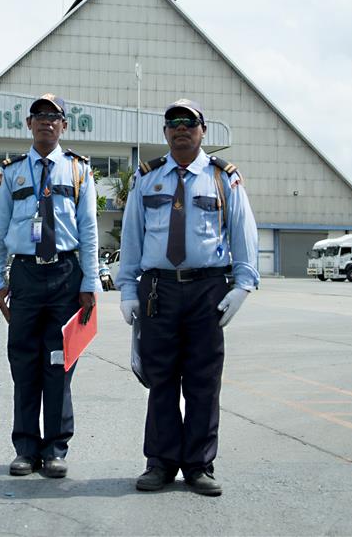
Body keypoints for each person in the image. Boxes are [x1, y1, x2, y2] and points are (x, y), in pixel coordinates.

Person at [117, 98, 259, 495]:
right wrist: (127, 289)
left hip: (206, 289)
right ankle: (160, 463)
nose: (181, 129)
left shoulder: (222, 178)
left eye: (190, 123)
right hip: (158, 289)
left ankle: (199, 465)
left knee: (202, 381)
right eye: (173, 123)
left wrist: (243, 286)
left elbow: (243, 234)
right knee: (160, 379)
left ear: (203, 131)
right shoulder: (147, 178)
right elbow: (132, 237)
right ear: (165, 132)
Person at [0, 93, 101, 479]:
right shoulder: (12, 173)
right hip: (25, 276)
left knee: (59, 363)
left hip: (66, 277)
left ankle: (54, 449)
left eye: (53, 117)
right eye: (39, 116)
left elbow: (88, 232)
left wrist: (90, 282)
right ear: (29, 124)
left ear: (64, 125)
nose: (46, 122)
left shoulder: (79, 172)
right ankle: (25, 448)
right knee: (23, 363)